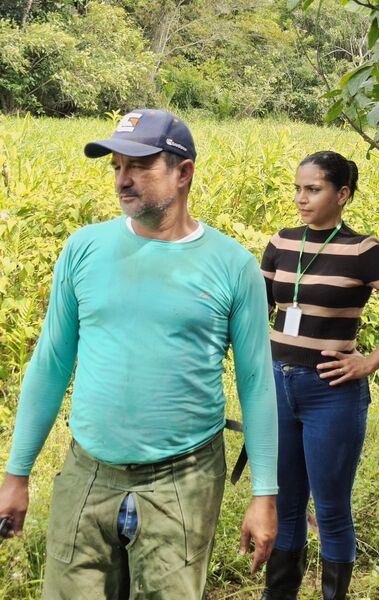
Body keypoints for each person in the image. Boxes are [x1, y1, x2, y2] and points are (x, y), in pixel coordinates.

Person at [0, 109, 279, 599]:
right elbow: (50, 363)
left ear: (184, 172)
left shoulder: (233, 266)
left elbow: (256, 382)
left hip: (184, 480)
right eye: (115, 167)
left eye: (138, 166)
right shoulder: (84, 249)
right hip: (88, 472)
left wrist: (264, 494)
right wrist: (16, 474)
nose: (122, 180)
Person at [259, 150, 379, 600]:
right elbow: (256, 308)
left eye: (313, 189)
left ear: (343, 194)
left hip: (330, 394)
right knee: (287, 503)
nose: (301, 198)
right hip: (277, 388)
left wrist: (369, 361)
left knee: (332, 508)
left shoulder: (361, 249)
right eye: (298, 188)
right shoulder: (281, 242)